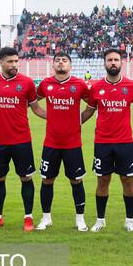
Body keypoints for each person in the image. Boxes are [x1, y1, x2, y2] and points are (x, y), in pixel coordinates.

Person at [81, 48, 133, 232]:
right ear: (104, 63)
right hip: (102, 142)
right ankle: (100, 220)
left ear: (121, 63)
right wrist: (69, 124)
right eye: (109, 60)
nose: (113, 63)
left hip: (124, 142)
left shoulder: (130, 87)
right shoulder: (96, 88)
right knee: (102, 180)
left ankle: (129, 220)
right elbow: (88, 112)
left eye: (116, 60)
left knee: (127, 180)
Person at [0, 47, 47, 232]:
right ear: (1, 62)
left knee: (26, 178)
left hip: (22, 140)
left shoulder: (27, 82)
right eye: (10, 61)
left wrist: (55, 117)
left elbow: (36, 108)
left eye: (16, 61)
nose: (14, 64)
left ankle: (28, 218)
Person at [35, 52, 90, 231]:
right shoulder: (45, 84)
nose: (61, 63)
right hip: (51, 143)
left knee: (76, 181)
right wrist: (47, 116)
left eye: (64, 60)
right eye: (57, 60)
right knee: (47, 180)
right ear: (53, 65)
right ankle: (46, 218)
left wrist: (78, 120)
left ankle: (80, 219)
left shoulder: (79, 85)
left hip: (73, 143)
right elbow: (33, 102)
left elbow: (92, 105)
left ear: (70, 65)